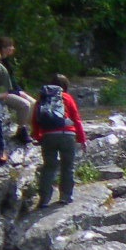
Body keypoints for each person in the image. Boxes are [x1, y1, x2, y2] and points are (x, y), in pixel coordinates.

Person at [31, 74, 87, 207]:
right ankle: (65, 196)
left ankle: (44, 199)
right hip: (67, 135)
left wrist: (39, 136)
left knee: (48, 167)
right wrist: (82, 139)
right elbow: (76, 119)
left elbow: (35, 119)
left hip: (48, 136)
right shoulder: (67, 97)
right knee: (67, 167)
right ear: (65, 86)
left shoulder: (43, 98)